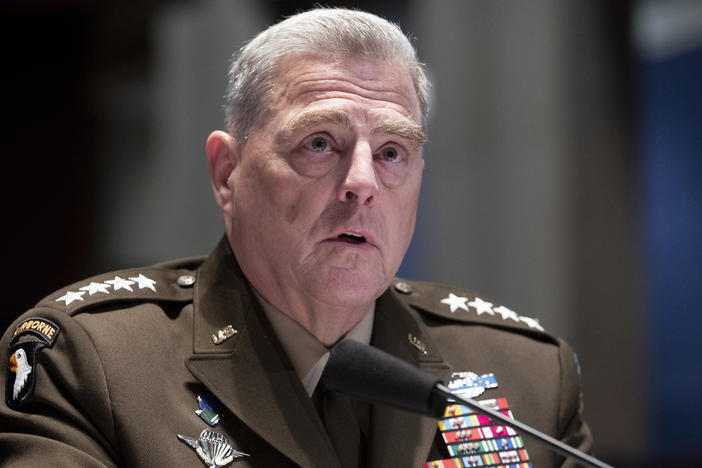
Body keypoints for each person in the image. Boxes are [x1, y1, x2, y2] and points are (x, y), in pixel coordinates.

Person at [0, 8, 592, 468]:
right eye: (320, 143)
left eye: (392, 153)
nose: (362, 183)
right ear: (227, 174)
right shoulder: (91, 363)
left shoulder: (525, 377)